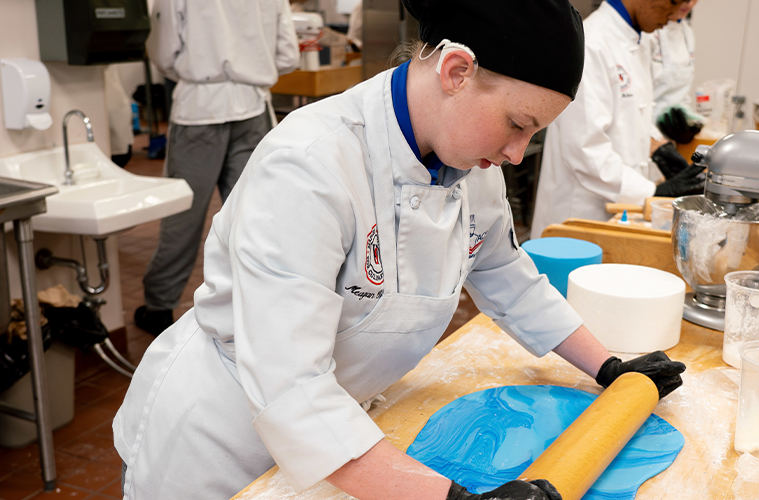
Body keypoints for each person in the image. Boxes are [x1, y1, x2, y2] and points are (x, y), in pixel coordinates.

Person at [113, 0, 686, 498]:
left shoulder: (467, 161)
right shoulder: (310, 167)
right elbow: (290, 384)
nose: (518, 152)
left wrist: (611, 365)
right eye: (517, 124)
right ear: (457, 71)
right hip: (225, 440)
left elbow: (507, 274)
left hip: (342, 433)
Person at [133, 0, 299, 334]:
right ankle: (254, 307)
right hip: (253, 109)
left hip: (198, 109)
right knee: (253, 218)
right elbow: (288, 56)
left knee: (184, 216)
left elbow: (163, 52)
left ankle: (159, 307)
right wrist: (248, 69)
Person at [530, 0, 705, 239]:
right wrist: (653, 192)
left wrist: (659, 148)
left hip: (619, 209)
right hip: (579, 215)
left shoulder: (638, 40)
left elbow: (632, 113)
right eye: (674, 2)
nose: (676, 13)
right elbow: (585, 150)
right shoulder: (592, 44)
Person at [651, 0, 703, 145]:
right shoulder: (649, 31)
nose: (688, 3)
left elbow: (682, 92)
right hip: (644, 136)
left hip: (671, 141)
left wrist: (688, 122)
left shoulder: (686, 32)